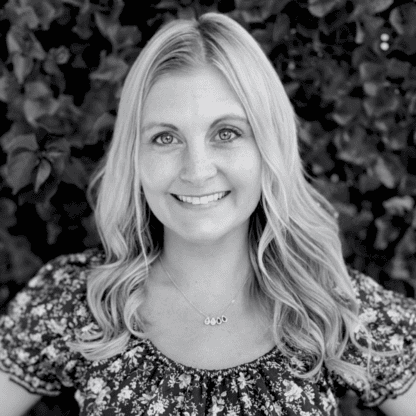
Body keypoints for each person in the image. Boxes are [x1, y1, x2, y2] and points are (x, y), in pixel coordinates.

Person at [0, 12, 415, 416]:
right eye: (165, 137)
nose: (197, 170)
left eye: (227, 133)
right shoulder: (81, 301)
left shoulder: (330, 308)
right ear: (135, 157)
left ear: (267, 147)